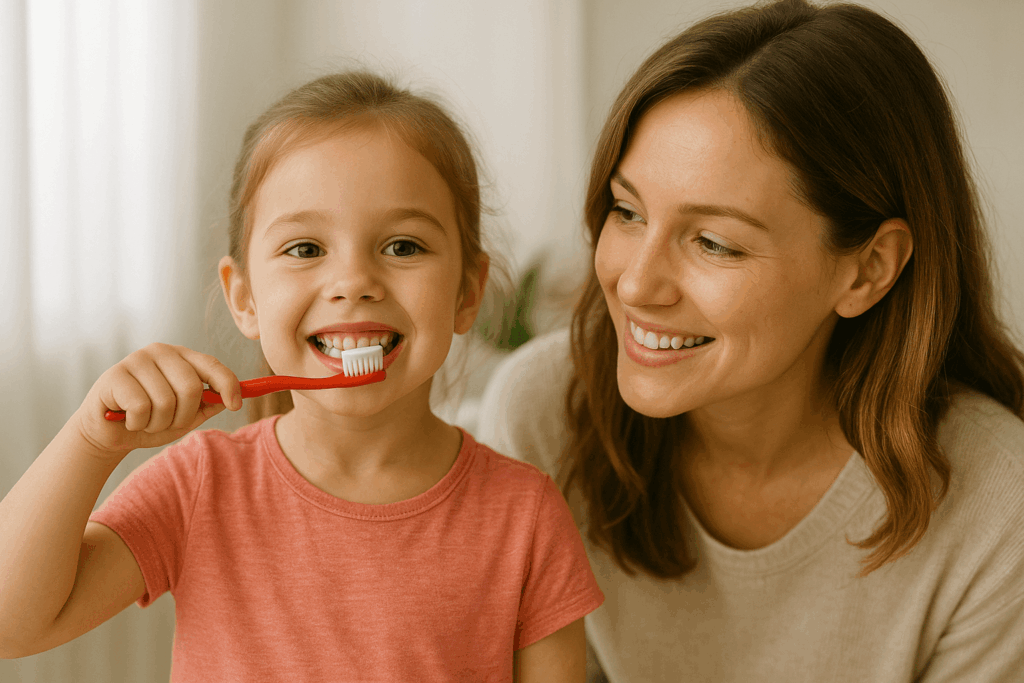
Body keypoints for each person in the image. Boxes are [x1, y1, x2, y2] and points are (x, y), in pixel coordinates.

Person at [477, 0, 1024, 681]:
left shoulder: (999, 505)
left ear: (868, 269)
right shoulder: (542, 418)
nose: (637, 283)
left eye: (714, 242)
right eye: (626, 210)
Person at [0, 71, 603, 682]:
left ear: (468, 292)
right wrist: (90, 442)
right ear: (245, 299)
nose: (353, 282)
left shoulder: (524, 516)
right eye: (306, 249)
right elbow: (11, 625)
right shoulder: (201, 485)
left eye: (402, 247)